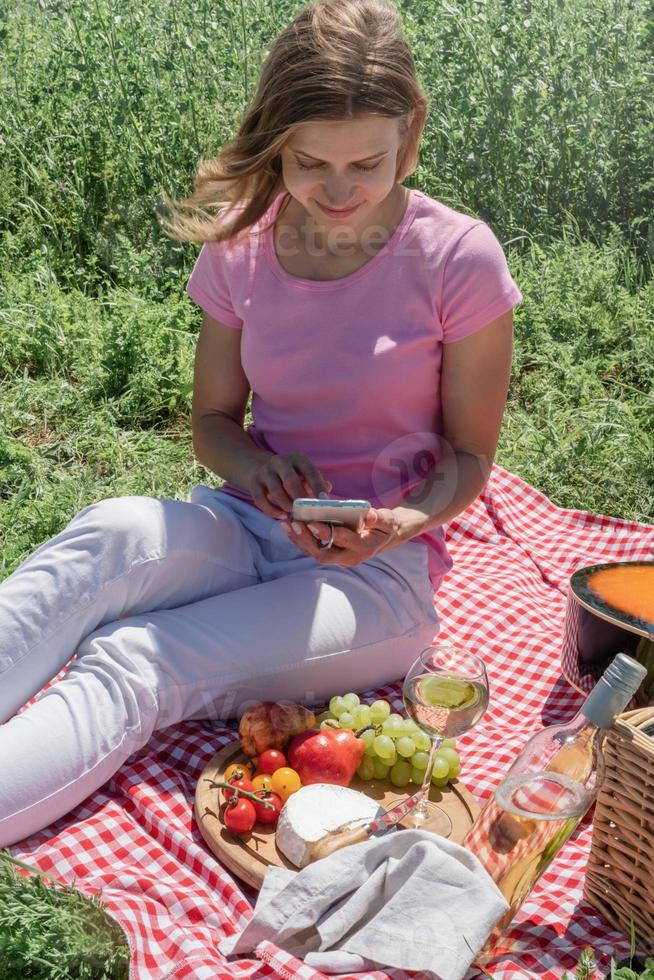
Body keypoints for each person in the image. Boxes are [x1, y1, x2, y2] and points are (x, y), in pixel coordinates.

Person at [0, 0, 522, 848]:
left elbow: (469, 459)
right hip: (252, 522)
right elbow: (214, 420)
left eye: (367, 162)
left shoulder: (458, 258)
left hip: (378, 579)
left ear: (412, 134)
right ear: (275, 140)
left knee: (138, 659)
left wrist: (405, 521)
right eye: (310, 162)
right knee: (108, 535)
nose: (338, 191)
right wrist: (254, 469)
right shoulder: (243, 244)